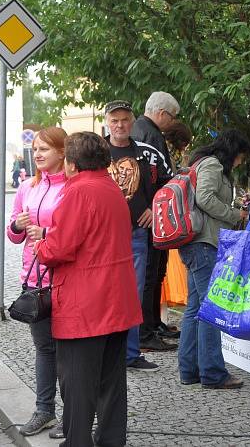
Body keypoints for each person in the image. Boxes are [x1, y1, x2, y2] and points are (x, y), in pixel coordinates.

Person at [34, 131, 141, 447]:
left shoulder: (78, 192)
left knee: (77, 387)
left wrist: (41, 244)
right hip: (116, 301)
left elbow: (59, 248)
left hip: (86, 306)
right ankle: (110, 441)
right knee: (111, 385)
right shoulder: (111, 188)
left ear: (70, 163)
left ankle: (77, 442)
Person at [177, 129, 250, 389]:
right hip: (203, 243)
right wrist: (235, 215)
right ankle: (212, 372)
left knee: (195, 308)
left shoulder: (201, 162)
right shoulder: (212, 164)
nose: (241, 162)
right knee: (210, 309)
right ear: (234, 151)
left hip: (195, 243)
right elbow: (205, 198)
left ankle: (189, 370)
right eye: (241, 156)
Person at [7, 127, 68, 438]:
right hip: (34, 280)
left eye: (45, 148)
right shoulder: (27, 187)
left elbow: (76, 233)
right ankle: (44, 410)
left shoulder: (72, 187)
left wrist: (46, 232)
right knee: (44, 348)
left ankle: (72, 415)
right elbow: (13, 234)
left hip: (66, 280)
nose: (39, 154)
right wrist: (17, 225)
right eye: (35, 150)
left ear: (62, 151)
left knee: (68, 350)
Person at [103, 99, 174, 366]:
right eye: (114, 120)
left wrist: (154, 208)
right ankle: (106, 353)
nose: (119, 125)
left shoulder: (147, 152)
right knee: (105, 293)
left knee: (133, 293)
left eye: (124, 120)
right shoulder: (97, 152)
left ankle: (131, 353)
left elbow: (170, 185)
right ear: (107, 123)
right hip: (102, 236)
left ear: (132, 122)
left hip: (135, 234)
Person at [131, 91, 182, 346]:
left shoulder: (142, 131)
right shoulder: (149, 135)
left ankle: (152, 323)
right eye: (173, 118)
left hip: (149, 214)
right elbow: (149, 179)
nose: (173, 123)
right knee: (150, 273)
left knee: (156, 272)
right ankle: (145, 331)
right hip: (149, 217)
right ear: (162, 114)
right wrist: (151, 206)